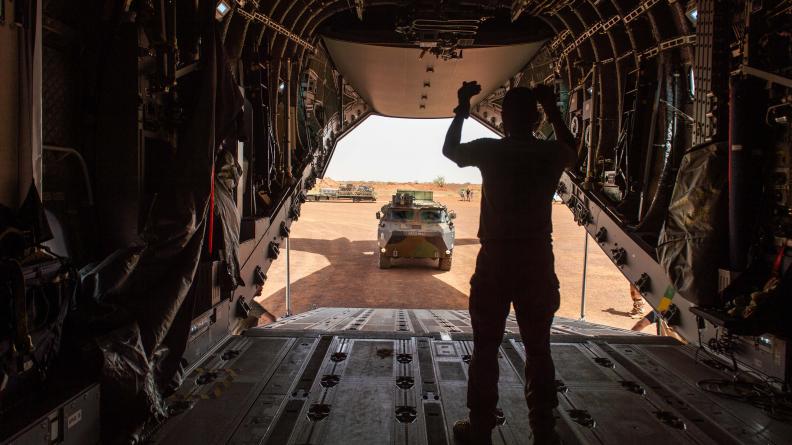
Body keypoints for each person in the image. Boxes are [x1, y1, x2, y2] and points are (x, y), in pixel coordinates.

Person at [442, 81, 577, 445]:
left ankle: (481, 429)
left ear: (502, 121)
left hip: (496, 261)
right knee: (538, 348)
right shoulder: (550, 154)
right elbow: (573, 150)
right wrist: (553, 108)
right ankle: (543, 430)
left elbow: (451, 149)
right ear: (535, 119)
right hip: (536, 260)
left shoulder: (490, 151)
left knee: (486, 347)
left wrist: (463, 106)